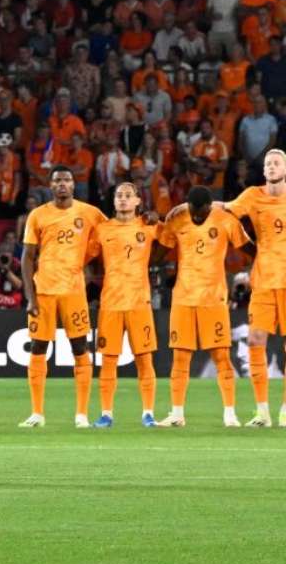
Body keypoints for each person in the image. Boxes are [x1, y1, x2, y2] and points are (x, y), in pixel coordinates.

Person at [154, 185, 248, 428]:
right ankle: (176, 414)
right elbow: (160, 253)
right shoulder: (177, 217)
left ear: (210, 206)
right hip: (183, 298)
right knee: (180, 357)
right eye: (193, 212)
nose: (197, 217)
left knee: (221, 356)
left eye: (201, 212)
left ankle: (230, 413)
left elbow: (249, 249)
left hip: (213, 299)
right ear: (188, 206)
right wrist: (156, 224)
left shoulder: (226, 220)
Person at [19, 164, 103, 429]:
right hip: (43, 291)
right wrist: (30, 296)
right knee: (38, 348)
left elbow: (112, 233)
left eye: (67, 179)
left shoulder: (89, 213)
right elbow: (27, 257)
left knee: (80, 349)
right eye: (57, 181)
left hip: (74, 291)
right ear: (50, 185)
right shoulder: (38, 215)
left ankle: (81, 415)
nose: (62, 184)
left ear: (73, 184)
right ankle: (37, 413)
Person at [219, 148, 286, 427]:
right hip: (263, 281)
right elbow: (227, 209)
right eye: (268, 163)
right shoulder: (253, 195)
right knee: (257, 340)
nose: (271, 166)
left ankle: (285, 410)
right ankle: (262, 412)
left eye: (277, 162)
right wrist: (192, 205)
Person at [90, 180, 161, 429]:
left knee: (144, 359)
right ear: (114, 200)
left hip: (139, 302)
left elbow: (170, 244)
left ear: (138, 201)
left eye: (128, 195)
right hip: (110, 303)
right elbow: (87, 257)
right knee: (108, 360)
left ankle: (148, 414)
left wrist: (158, 217)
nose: (122, 199)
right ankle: (106, 413)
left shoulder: (149, 227)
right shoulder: (102, 229)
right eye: (119, 195)